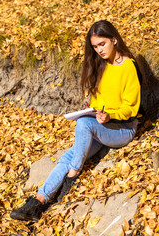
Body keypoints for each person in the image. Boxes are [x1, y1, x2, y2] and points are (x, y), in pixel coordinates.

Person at [10, 20, 142, 221]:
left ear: (114, 40)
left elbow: (130, 107)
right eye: (95, 47)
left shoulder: (128, 66)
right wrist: (92, 108)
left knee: (82, 126)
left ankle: (73, 175)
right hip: (102, 125)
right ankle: (38, 201)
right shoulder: (101, 65)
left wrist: (110, 115)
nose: (99, 50)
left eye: (102, 44)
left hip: (122, 128)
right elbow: (101, 100)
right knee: (68, 155)